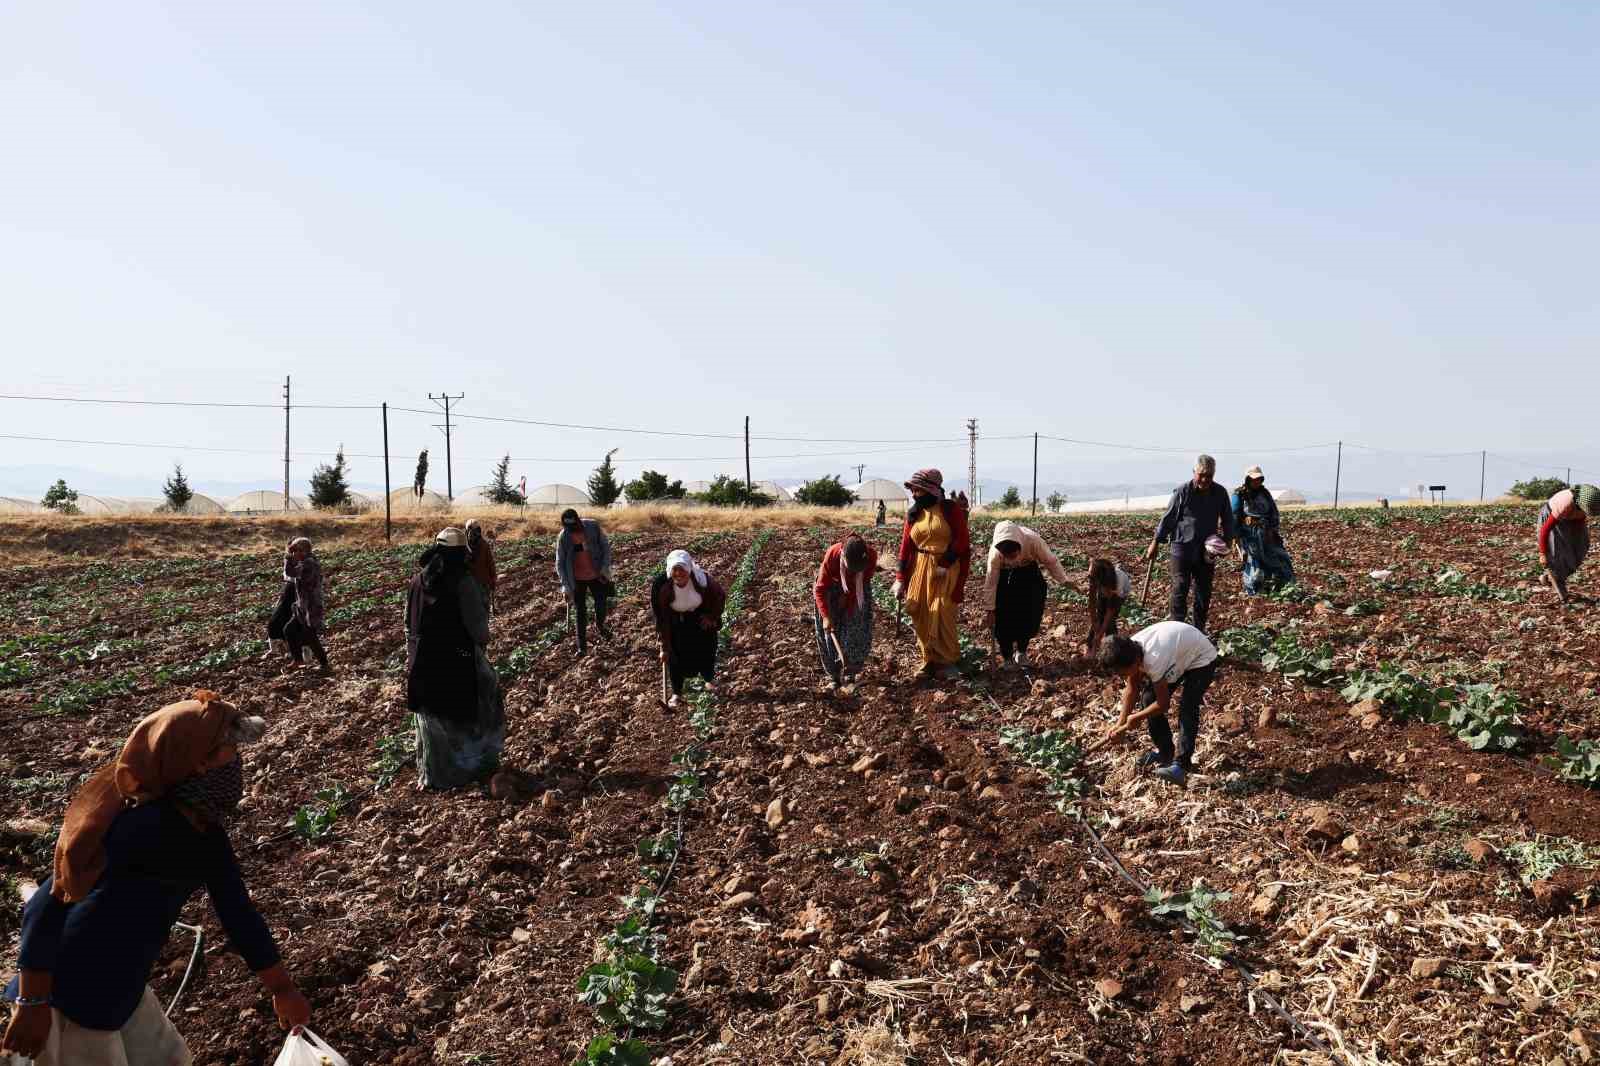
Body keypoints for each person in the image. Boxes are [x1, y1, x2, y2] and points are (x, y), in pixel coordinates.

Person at [1, 691, 311, 1064]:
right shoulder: (135, 828)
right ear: (196, 763)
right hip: (69, 995)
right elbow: (46, 903)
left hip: (121, 984)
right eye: (229, 751)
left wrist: (281, 988)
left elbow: (238, 913)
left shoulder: (203, 833)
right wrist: (33, 1001)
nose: (237, 762)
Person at [405, 528, 506, 790]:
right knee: (479, 702)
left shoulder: (418, 581)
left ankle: (431, 774)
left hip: (421, 661)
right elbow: (478, 629)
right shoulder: (462, 581)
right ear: (462, 552)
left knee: (430, 715)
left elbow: (408, 622)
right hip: (456, 660)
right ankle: (467, 769)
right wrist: (480, 645)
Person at [1098, 621, 1219, 787]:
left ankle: (1181, 766)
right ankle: (1165, 753)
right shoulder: (1131, 649)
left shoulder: (1153, 660)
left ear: (1134, 663)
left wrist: (1136, 718)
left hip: (1201, 658)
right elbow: (1132, 689)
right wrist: (1120, 725)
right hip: (1178, 654)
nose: (1121, 676)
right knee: (1147, 699)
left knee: (1187, 707)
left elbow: (1163, 705)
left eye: (1122, 672)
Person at [892, 469, 972, 680]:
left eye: (918, 490)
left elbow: (962, 540)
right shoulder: (914, 513)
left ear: (931, 490)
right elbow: (905, 547)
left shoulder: (949, 510)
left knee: (942, 609)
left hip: (944, 568)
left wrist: (945, 563)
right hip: (920, 567)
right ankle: (928, 659)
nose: (915, 494)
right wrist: (900, 578)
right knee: (919, 610)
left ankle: (947, 662)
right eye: (913, 490)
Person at [1146, 454, 1235, 633]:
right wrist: (1156, 542)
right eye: (1201, 475)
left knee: (1204, 591)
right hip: (1182, 548)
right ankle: (1176, 628)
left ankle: (1198, 630)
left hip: (1206, 550)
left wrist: (1228, 541)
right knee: (1180, 586)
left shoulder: (1220, 493)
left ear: (1213, 475)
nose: (1204, 479)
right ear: (1194, 472)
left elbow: (1227, 520)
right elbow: (1168, 518)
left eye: (1208, 476)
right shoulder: (1182, 492)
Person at [981, 520, 1068, 667]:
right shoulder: (995, 554)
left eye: (1014, 554)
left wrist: (1063, 580)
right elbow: (991, 581)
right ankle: (1007, 656)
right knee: (1003, 617)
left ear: (1019, 546)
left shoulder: (1032, 540)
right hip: (1005, 577)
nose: (1011, 558)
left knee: (1030, 613)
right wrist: (990, 609)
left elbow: (1050, 561)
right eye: (1007, 556)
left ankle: (1021, 652)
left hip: (1028, 573)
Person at [652, 550, 726, 708]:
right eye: (675, 569)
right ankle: (676, 693)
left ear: (689, 568)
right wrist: (664, 646)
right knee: (674, 656)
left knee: (706, 650)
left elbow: (719, 597)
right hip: (675, 621)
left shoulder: (702, 580)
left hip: (700, 618)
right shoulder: (661, 585)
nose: (679, 574)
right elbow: (660, 616)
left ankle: (709, 681)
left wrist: (711, 617)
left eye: (682, 569)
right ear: (669, 570)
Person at [814, 533, 883, 685]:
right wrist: (826, 616)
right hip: (831, 588)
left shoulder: (870, 556)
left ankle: (851, 672)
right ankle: (834, 676)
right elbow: (820, 590)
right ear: (843, 557)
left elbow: (864, 581)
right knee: (828, 631)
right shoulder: (833, 555)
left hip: (857, 590)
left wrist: (848, 598)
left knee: (856, 627)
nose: (854, 571)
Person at [554, 508, 614, 656]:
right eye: (568, 527)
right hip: (577, 579)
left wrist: (605, 568)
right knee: (580, 612)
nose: (572, 530)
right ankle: (582, 647)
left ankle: (600, 625)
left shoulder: (593, 527)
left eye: (574, 526)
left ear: (578, 520)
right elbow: (560, 562)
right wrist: (566, 587)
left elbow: (605, 547)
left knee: (601, 604)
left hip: (597, 575)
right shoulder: (564, 536)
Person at [1232, 466, 1296, 594]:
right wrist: (1235, 535)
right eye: (1254, 479)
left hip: (1267, 532)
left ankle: (1281, 586)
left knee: (1280, 557)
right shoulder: (1239, 494)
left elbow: (1274, 513)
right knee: (1255, 562)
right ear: (1248, 479)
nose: (1257, 482)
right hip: (1250, 534)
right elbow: (1234, 515)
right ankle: (1254, 590)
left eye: (1259, 479)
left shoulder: (1265, 494)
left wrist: (1272, 529)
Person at [1538, 484, 1600, 603]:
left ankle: (1549, 577)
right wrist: (1543, 553)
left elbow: (1580, 520)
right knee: (1556, 553)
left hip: (1572, 519)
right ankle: (1562, 594)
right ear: (1581, 504)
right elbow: (1545, 529)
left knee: (1582, 546)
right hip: (1553, 516)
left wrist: (1574, 540)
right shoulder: (1565, 504)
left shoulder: (1586, 505)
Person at [282, 537, 330, 671]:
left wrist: (287, 558)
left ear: (303, 551)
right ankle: (298, 660)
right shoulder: (306, 561)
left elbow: (290, 572)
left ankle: (324, 664)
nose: (294, 553)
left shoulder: (309, 563)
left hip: (311, 607)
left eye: (296, 550)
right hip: (303, 606)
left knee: (310, 636)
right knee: (289, 630)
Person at [1082, 558, 1133, 656]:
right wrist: (1094, 622)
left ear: (1100, 578)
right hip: (1105, 589)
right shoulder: (1093, 578)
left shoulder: (1117, 584)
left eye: (1091, 575)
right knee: (1099, 615)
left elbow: (1110, 612)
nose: (1088, 576)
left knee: (1110, 623)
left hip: (1119, 594)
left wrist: (1100, 634)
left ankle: (1112, 648)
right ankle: (1090, 645)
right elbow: (1092, 601)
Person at [464, 518, 498, 610]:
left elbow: (490, 564)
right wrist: (493, 579)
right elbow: (491, 564)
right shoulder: (484, 545)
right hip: (480, 583)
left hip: (471, 584)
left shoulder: (463, 546)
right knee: (482, 609)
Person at [263, 570, 295, 661]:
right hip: (288, 588)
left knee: (285, 624)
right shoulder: (290, 560)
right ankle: (274, 650)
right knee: (274, 624)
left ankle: (290, 651)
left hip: (294, 589)